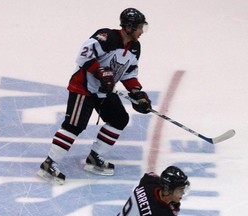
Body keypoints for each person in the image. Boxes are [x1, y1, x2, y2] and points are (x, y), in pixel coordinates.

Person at [37, 8, 152, 184]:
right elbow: (83, 57)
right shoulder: (106, 37)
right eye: (139, 27)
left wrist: (138, 93)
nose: (141, 31)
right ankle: (49, 163)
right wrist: (100, 71)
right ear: (128, 27)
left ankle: (94, 157)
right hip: (84, 88)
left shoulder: (135, 47)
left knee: (119, 118)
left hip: (103, 91)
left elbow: (129, 73)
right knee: (74, 126)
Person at [117, 166, 190, 216]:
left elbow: (151, 176)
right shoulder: (161, 213)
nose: (183, 193)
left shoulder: (149, 181)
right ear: (166, 191)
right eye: (180, 190)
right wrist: (174, 211)